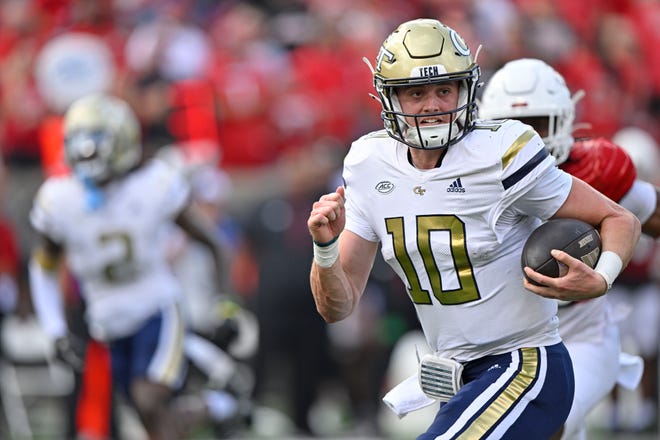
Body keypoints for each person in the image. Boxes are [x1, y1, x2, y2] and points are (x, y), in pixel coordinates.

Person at [306, 18, 641, 440]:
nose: (433, 105)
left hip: (525, 364)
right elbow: (337, 307)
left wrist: (602, 277)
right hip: (457, 376)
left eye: (444, 89)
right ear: (389, 98)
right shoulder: (368, 163)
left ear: (466, 90)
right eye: (417, 92)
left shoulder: (500, 151)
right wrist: (325, 249)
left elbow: (619, 218)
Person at [28, 93, 231, 440]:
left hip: (159, 308)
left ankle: (216, 406)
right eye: (82, 139)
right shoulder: (60, 198)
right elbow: (44, 266)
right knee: (150, 419)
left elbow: (211, 242)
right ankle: (218, 407)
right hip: (107, 320)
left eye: (97, 139)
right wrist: (55, 329)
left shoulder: (154, 183)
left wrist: (225, 304)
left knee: (148, 399)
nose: (88, 150)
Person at [479, 57, 660, 439]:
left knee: (542, 427)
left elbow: (651, 212)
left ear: (563, 121)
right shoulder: (468, 184)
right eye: (511, 127)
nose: (524, 140)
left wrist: (605, 270)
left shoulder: (593, 176)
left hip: (580, 337)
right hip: (499, 345)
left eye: (536, 125)